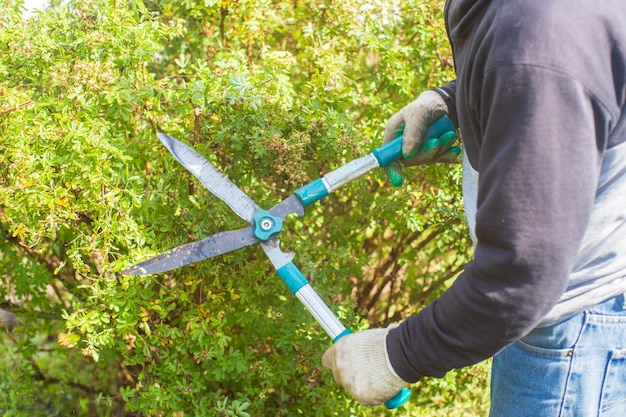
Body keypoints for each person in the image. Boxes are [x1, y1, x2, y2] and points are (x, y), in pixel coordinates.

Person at [322, 0, 626, 415]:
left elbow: (522, 273)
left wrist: (395, 354)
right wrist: (460, 100)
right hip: (563, 320)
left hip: (573, 332)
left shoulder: (545, 35)